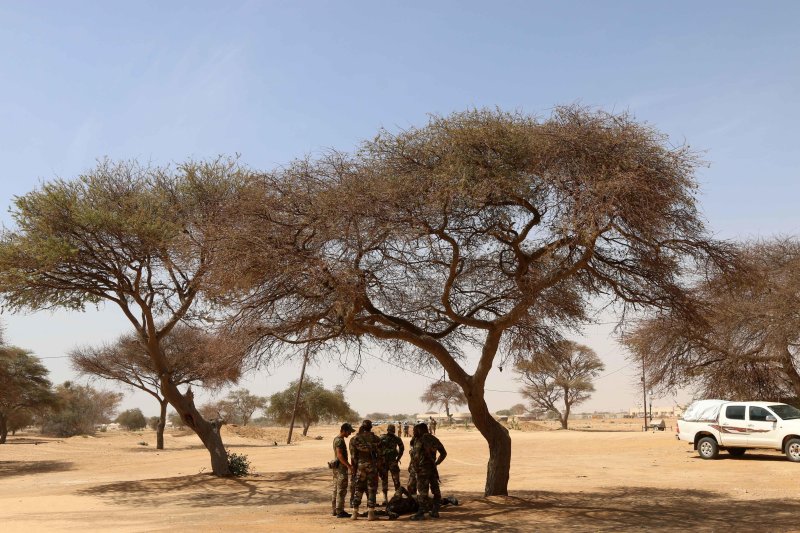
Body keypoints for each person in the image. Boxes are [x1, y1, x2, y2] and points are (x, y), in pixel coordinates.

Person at [410, 422, 447, 520]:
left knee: (422, 491)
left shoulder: (420, 440)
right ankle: (435, 511)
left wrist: (415, 468)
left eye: (416, 430)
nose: (414, 432)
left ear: (420, 430)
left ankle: (421, 513)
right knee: (435, 490)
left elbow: (416, 456)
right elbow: (443, 453)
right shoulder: (434, 439)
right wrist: (436, 463)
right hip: (432, 468)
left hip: (422, 469)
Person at [349, 419, 382, 521]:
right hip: (372, 467)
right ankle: (371, 514)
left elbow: (353, 457)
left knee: (358, 489)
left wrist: (353, 469)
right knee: (371, 489)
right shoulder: (376, 439)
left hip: (360, 467)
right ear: (371, 427)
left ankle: (354, 513)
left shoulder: (354, 439)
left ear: (362, 427)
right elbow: (380, 456)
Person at [331, 423, 354, 518]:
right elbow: (340, 455)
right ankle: (340, 511)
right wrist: (349, 466)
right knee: (341, 490)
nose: (350, 434)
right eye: (349, 431)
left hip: (337, 469)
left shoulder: (337, 439)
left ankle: (335, 510)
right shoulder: (339, 441)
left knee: (336, 489)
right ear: (344, 430)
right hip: (341, 469)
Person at [378, 424, 405, 505]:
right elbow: (402, 449)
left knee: (387, 480)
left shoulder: (382, 438)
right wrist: (398, 458)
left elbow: (377, 449)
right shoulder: (396, 438)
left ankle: (387, 499)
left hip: (386, 462)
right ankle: (395, 498)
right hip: (391, 461)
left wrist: (380, 459)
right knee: (394, 480)